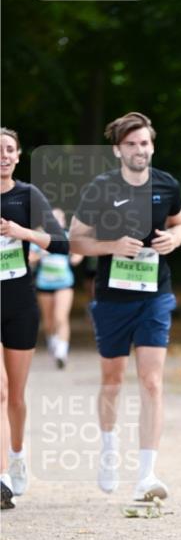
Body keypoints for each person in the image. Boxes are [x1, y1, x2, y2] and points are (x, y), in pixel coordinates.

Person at [69, 112, 181, 501]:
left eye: (146, 144)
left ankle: (147, 473)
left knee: (152, 382)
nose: (140, 150)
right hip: (112, 297)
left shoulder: (166, 184)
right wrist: (112, 246)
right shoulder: (100, 188)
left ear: (153, 145)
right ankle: (107, 452)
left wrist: (174, 239)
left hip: (154, 293)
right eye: (133, 144)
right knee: (113, 380)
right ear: (119, 149)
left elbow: (179, 223)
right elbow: (76, 240)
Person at [1, 127, 68, 508]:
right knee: (0, 390)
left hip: (20, 303)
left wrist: (21, 231)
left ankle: (17, 455)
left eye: (9, 149)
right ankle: (1, 478)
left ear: (18, 155)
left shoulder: (28, 195)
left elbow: (60, 241)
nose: (3, 156)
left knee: (17, 396)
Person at [32, 207, 83, 368]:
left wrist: (74, 257)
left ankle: (61, 352)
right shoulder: (40, 238)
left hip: (64, 283)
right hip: (44, 284)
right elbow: (29, 258)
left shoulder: (67, 237)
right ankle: (53, 343)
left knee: (61, 317)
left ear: (63, 222)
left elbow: (78, 254)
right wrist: (42, 253)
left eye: (58, 219)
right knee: (48, 322)